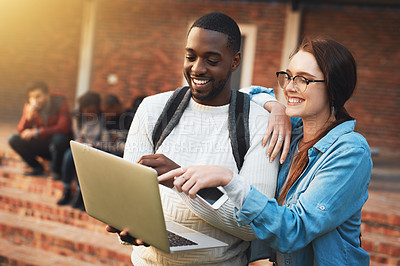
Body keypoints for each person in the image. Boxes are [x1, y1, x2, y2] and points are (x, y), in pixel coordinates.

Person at [160, 38, 372, 265]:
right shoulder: (292, 135)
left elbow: (295, 230)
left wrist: (229, 179)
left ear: (333, 87)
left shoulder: (350, 152)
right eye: (288, 76)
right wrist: (276, 107)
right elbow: (247, 92)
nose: (290, 86)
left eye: (304, 79)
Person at [106, 13, 289, 265]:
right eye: (190, 56)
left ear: (235, 61)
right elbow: (128, 194)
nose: (197, 68)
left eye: (212, 60)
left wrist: (179, 180)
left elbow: (252, 225)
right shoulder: (153, 109)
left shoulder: (258, 123)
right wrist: (128, 226)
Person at [57, 91, 110, 210]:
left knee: (83, 161)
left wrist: (94, 145)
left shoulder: (103, 119)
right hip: (81, 148)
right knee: (68, 155)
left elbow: (105, 140)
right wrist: (80, 141)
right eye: (85, 110)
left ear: (97, 108)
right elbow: (77, 136)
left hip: (97, 150)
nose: (88, 113)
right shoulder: (78, 118)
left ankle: (81, 194)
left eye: (91, 110)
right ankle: (66, 190)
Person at [8, 81, 72, 176]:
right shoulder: (29, 105)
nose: (35, 101)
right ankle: (36, 167)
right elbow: (21, 132)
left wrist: (38, 131)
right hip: (44, 145)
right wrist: (28, 117)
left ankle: (56, 171)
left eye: (38, 96)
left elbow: (63, 128)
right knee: (13, 139)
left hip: (60, 147)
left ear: (47, 95)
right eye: (32, 97)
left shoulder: (60, 102)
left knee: (58, 138)